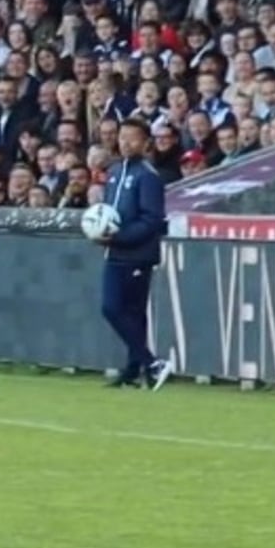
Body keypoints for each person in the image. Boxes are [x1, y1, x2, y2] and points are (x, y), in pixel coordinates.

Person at [95, 119, 171, 389]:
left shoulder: (147, 175)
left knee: (113, 308)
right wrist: (99, 230)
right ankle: (134, 370)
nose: (126, 142)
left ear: (145, 142)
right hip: (115, 251)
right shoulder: (115, 171)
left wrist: (118, 237)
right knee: (131, 313)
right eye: (122, 137)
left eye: (133, 138)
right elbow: (108, 211)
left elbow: (152, 220)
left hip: (137, 254)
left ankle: (151, 363)